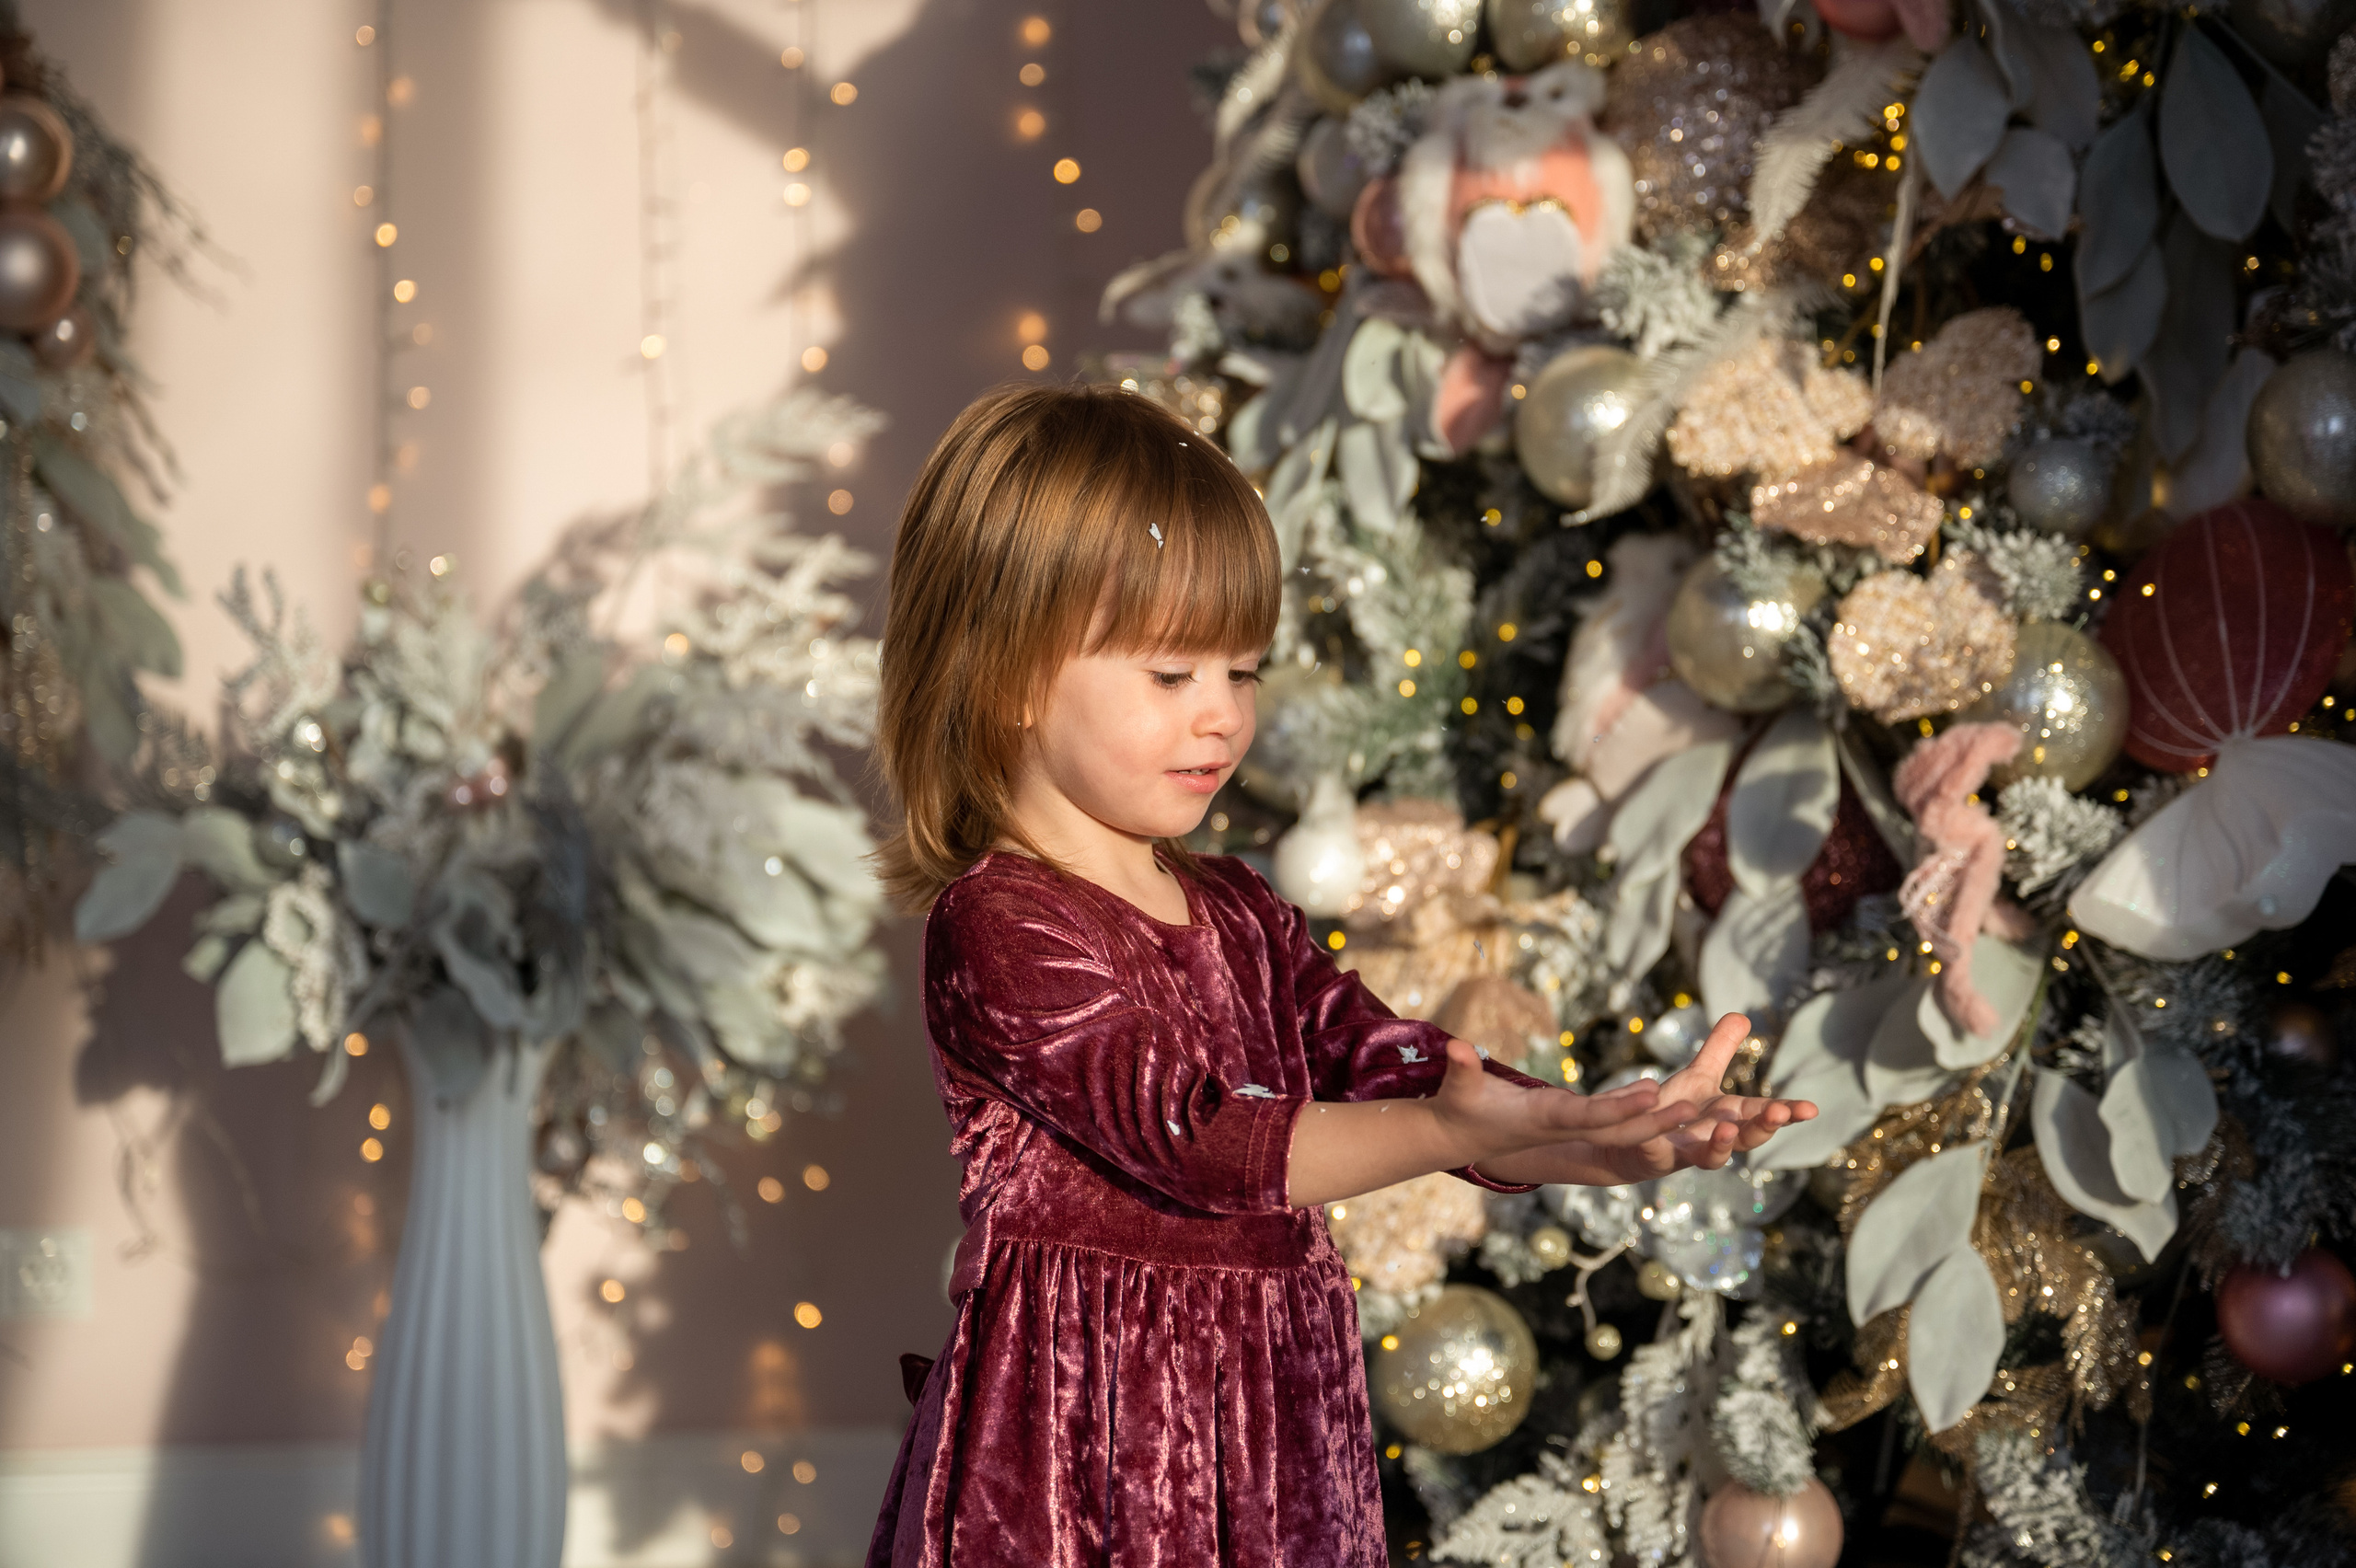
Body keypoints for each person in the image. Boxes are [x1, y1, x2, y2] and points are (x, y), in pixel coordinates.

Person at [864, 384, 1816, 1567]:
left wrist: (1591, 1134)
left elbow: (1396, 1069)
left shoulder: (1241, 908)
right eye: (1172, 676)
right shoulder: (1000, 926)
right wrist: (1438, 1126)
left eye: (1243, 672)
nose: (1221, 718)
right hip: (1092, 1439)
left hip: (1271, 1421)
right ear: (1006, 670)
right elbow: (1202, 1140)